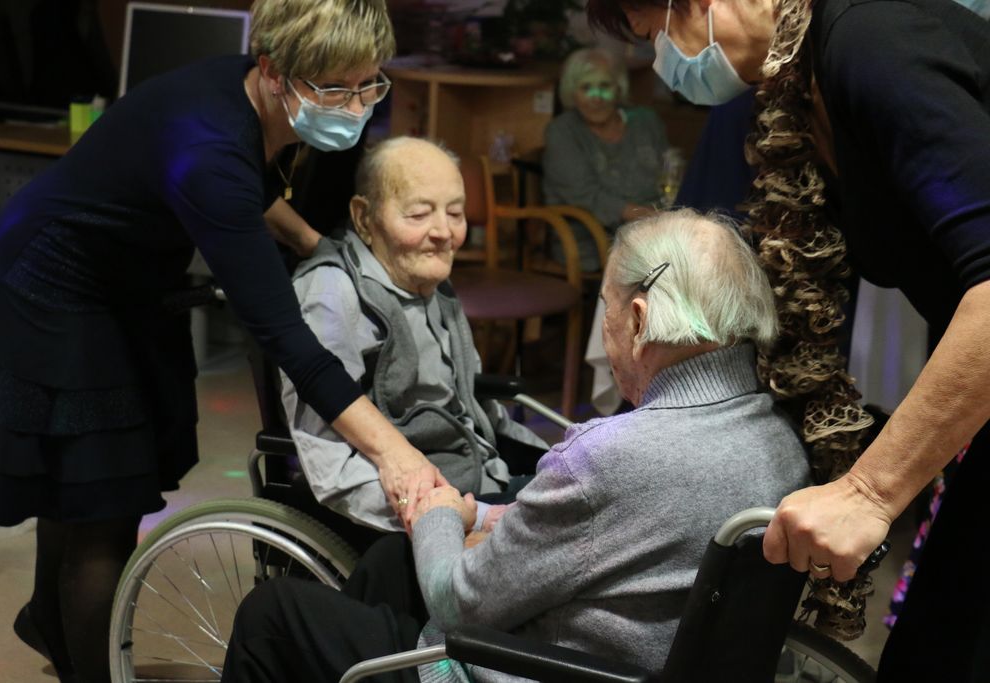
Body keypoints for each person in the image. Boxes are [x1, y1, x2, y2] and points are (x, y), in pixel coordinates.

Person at [0, 1, 448, 681]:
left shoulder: (243, 95)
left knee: (84, 484)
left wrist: (314, 244)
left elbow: (249, 191)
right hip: (52, 289)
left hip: (120, 281)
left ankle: (51, 617)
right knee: (104, 503)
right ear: (274, 71)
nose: (354, 105)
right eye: (334, 89)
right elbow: (288, 340)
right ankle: (85, 659)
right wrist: (396, 455)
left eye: (368, 84)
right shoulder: (209, 146)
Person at [219, 208, 811, 682]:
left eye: (604, 310)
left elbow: (458, 605)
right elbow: (624, 536)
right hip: (652, 656)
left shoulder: (611, 457)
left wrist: (437, 513)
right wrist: (482, 516)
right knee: (390, 564)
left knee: (273, 614)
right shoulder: (780, 443)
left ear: (637, 321)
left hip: (537, 665)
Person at [585, 0, 990, 678]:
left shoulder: (870, 38)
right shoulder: (798, 94)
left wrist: (868, 492)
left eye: (654, 32)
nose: (661, 61)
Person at [281, 137, 547, 535]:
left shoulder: (428, 282)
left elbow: (477, 412)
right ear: (363, 218)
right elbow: (330, 465)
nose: (444, 232)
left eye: (455, 213)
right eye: (419, 214)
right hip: (417, 513)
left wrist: (558, 461)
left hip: (478, 477)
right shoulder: (332, 295)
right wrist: (460, 516)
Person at [542, 47, 670, 271]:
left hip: (656, 231)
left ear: (619, 87)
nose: (596, 98)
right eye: (586, 88)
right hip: (594, 240)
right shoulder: (562, 132)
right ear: (572, 92)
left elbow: (670, 174)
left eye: (604, 86)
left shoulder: (646, 122)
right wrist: (650, 218)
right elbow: (586, 196)